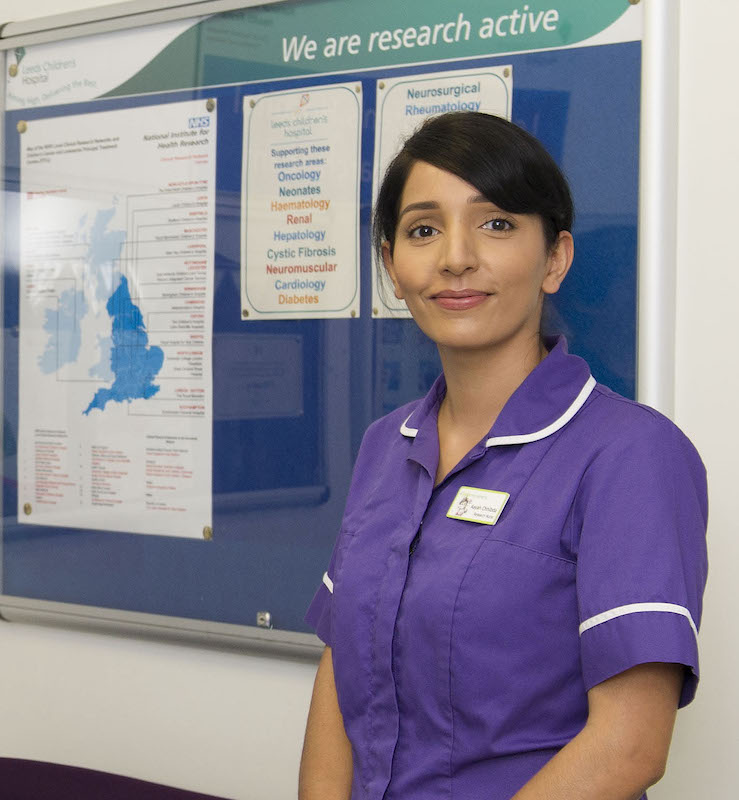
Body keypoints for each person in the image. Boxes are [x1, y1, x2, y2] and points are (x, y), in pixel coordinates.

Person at [299, 112, 708, 800]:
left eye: (494, 224)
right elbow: (340, 674)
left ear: (554, 259)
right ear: (392, 268)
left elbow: (628, 747)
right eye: (422, 230)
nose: (454, 257)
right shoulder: (384, 445)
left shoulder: (630, 454)